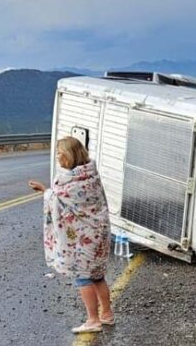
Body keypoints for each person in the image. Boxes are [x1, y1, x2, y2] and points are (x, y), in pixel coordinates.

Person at [28, 137, 114, 334]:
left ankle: (93, 319)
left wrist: (43, 190)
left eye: (59, 153)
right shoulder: (91, 175)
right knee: (98, 276)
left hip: (84, 238)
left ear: (67, 156)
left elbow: (57, 198)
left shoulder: (71, 180)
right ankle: (107, 314)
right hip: (99, 233)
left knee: (84, 277)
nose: (57, 157)